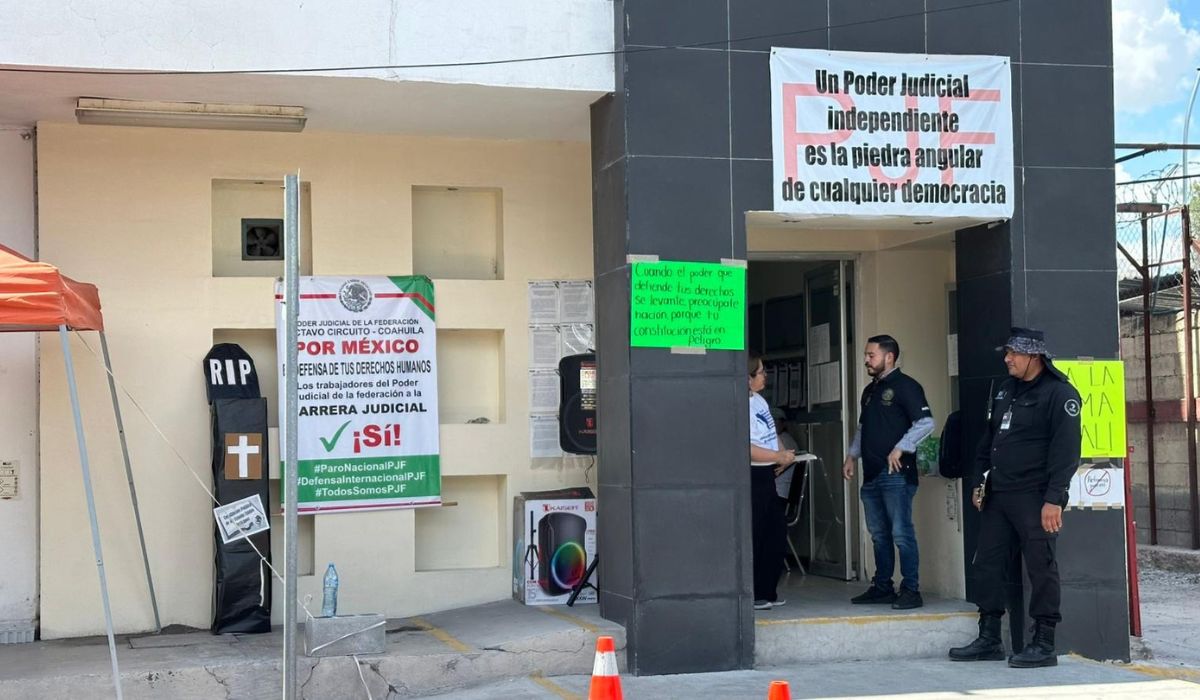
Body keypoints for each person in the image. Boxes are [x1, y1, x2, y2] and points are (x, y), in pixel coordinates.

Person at [948, 327, 1081, 668]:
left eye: (1014, 353)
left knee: (1041, 567)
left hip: (1035, 498)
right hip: (998, 495)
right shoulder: (1006, 389)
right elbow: (989, 441)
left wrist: (1054, 499)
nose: (1007, 359)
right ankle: (989, 637)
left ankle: (1044, 642)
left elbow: (1066, 452)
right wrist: (979, 482)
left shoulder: (1060, 393)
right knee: (987, 564)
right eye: (1007, 353)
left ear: (1034, 356)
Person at [842, 335, 934, 610]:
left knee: (901, 533)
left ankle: (911, 590)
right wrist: (851, 456)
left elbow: (925, 423)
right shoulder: (869, 391)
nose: (866, 360)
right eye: (866, 355)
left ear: (889, 357)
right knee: (878, 534)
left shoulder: (907, 386)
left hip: (896, 474)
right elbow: (863, 429)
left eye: (871, 355)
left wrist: (900, 448)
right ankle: (882, 586)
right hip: (871, 474)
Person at [749, 354, 794, 610]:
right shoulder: (739, 405)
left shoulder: (759, 401)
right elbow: (746, 448)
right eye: (761, 372)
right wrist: (777, 456)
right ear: (748, 378)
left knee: (776, 532)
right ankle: (754, 593)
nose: (765, 376)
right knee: (756, 533)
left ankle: (767, 591)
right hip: (751, 474)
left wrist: (783, 454)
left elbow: (770, 433)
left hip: (768, 473)